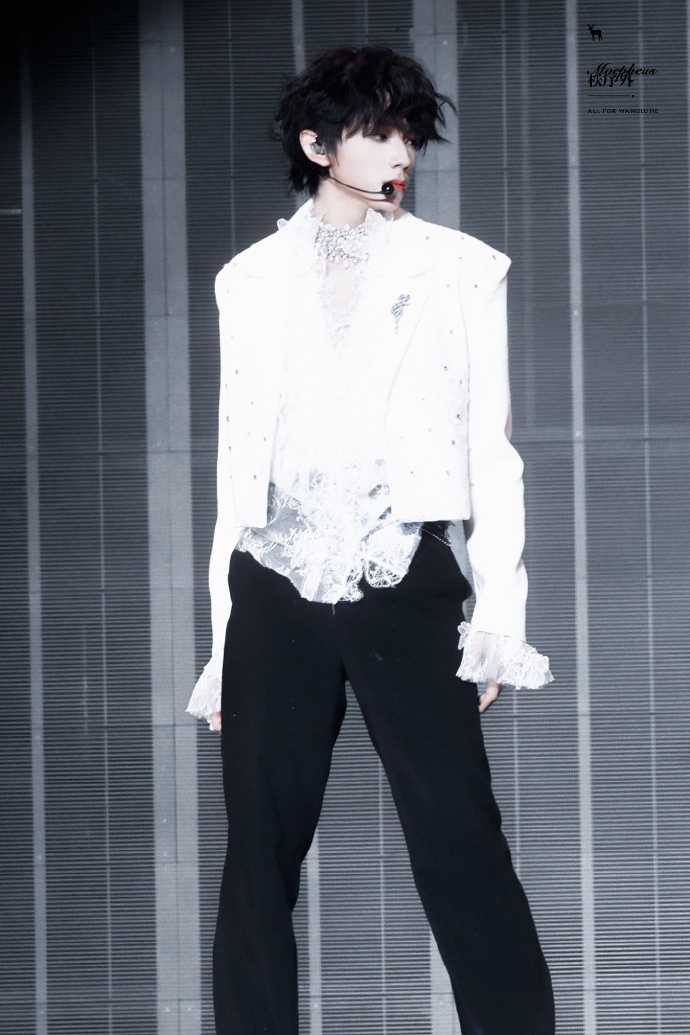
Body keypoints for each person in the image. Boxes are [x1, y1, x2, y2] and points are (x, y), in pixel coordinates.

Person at [187, 44, 555, 1035]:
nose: (402, 154)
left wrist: (499, 614)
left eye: (410, 135)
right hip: (276, 578)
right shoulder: (249, 279)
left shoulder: (460, 269)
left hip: (403, 571)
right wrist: (225, 645)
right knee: (257, 855)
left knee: (460, 837)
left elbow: (492, 449)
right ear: (318, 145)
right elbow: (238, 465)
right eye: (380, 132)